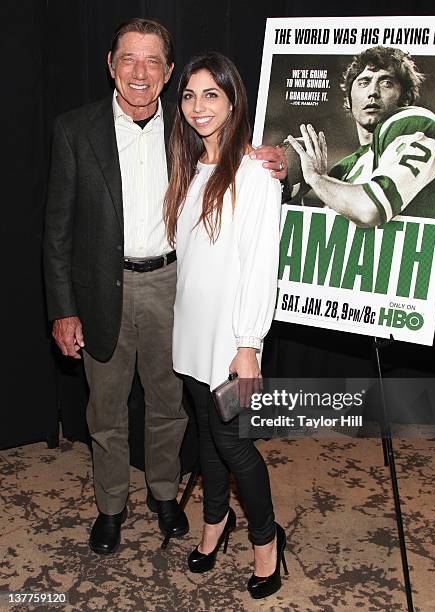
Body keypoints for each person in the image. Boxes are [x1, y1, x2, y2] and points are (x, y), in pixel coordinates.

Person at [43, 18, 286, 556]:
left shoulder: (184, 131)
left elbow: (238, 155)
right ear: (110, 65)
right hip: (101, 291)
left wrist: (281, 160)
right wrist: (63, 308)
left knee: (169, 406)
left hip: (172, 286)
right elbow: (55, 232)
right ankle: (111, 507)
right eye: (129, 59)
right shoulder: (73, 129)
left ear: (168, 73)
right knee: (104, 410)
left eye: (153, 61)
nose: (139, 72)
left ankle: (163, 495)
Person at [164, 52, 287, 599]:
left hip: (233, 342)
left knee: (236, 447)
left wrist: (248, 345)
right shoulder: (191, 170)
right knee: (210, 443)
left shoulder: (256, 173)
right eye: (189, 96)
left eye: (211, 94)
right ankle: (216, 524)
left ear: (233, 100)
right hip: (192, 333)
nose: (198, 106)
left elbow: (260, 263)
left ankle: (267, 545)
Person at [287, 46, 435, 226]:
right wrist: (293, 197)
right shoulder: (344, 170)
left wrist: (316, 178)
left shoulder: (419, 125)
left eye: (386, 82)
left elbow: (369, 210)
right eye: (363, 82)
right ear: (349, 99)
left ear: (406, 98)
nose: (373, 92)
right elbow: (323, 239)